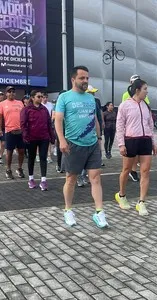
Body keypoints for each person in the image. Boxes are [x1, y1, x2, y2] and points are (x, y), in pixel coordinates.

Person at [54, 65, 109, 228]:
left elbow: (96, 120)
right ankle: (68, 210)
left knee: (96, 178)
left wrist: (99, 139)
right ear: (73, 79)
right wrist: (62, 140)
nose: (85, 81)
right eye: (82, 78)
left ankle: (99, 212)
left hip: (92, 143)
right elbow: (58, 120)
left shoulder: (91, 99)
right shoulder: (64, 97)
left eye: (87, 78)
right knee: (71, 179)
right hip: (73, 144)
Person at [115, 79, 157, 216]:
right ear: (137, 90)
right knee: (126, 169)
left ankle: (141, 202)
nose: (147, 92)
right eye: (145, 89)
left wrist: (153, 143)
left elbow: (150, 126)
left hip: (145, 141)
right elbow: (120, 126)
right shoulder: (125, 105)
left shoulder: (146, 106)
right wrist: (121, 144)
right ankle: (121, 195)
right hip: (130, 140)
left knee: (145, 171)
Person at [20, 90, 55, 191]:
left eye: (41, 96)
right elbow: (23, 124)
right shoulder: (26, 110)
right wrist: (25, 136)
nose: (40, 98)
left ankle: (43, 180)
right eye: (38, 97)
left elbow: (49, 124)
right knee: (31, 158)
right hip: (32, 138)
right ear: (32, 98)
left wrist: (52, 137)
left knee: (43, 158)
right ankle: (31, 178)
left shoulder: (44, 109)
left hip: (44, 137)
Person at [122, 74, 150, 182]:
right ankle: (132, 171)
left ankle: (135, 170)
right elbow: (124, 114)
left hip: (143, 132)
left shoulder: (144, 96)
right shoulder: (126, 95)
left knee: (141, 159)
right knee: (129, 160)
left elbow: (147, 108)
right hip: (131, 132)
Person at [0, 86, 25, 179]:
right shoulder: (2, 104)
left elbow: (24, 116)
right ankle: (8, 169)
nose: (11, 93)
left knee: (21, 151)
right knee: (9, 152)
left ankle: (20, 168)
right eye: (9, 92)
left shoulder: (20, 103)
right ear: (6, 93)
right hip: (9, 131)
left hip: (20, 131)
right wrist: (0, 129)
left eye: (13, 92)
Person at [41, 92, 54, 163]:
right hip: (40, 125)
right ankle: (38, 154)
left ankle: (49, 156)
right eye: (43, 97)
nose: (45, 99)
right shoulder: (40, 105)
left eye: (46, 97)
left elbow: (52, 113)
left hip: (48, 124)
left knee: (48, 140)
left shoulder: (50, 104)